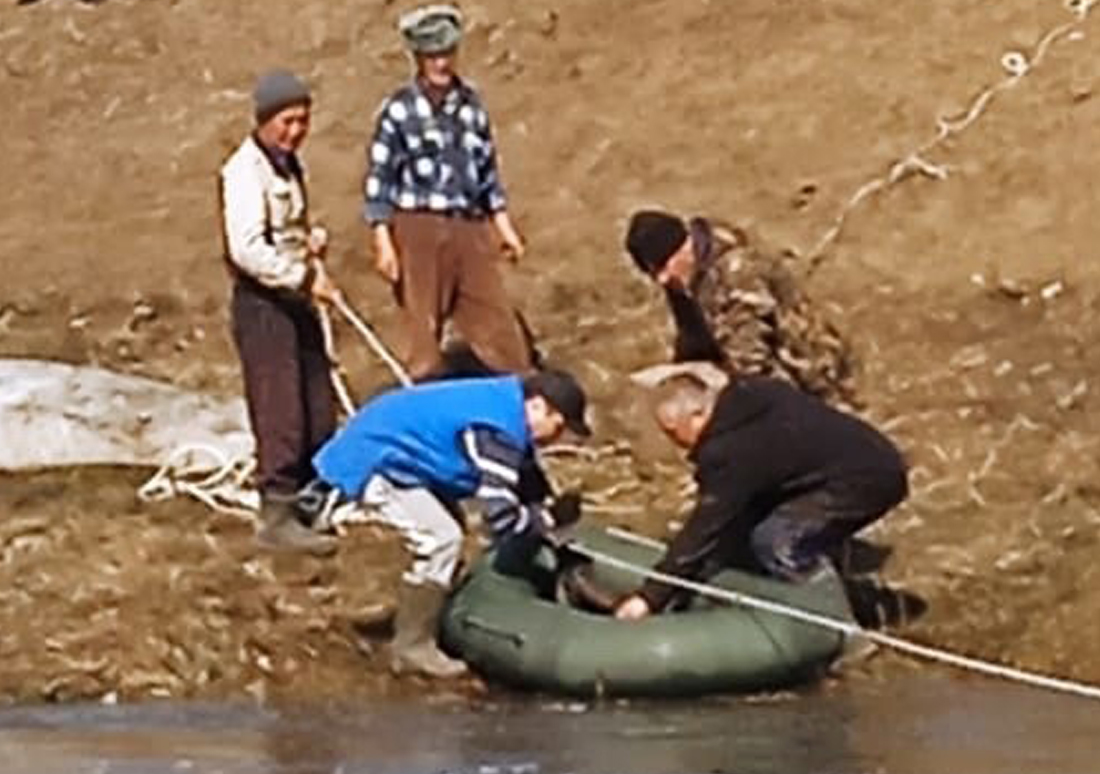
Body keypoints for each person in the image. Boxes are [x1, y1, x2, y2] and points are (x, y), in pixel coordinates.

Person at [308, 370, 591, 677]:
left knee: (449, 525)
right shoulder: (496, 430)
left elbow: (526, 479)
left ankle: (431, 616)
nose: (556, 439)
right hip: (375, 459)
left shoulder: (504, 406)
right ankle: (412, 646)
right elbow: (501, 518)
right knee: (442, 538)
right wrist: (547, 519)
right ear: (538, 406)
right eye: (558, 427)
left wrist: (549, 521)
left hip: (407, 455)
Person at [612, 366, 907, 623]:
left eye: (675, 432)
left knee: (776, 541)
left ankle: (839, 625)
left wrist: (651, 597)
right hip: (858, 461)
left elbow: (707, 526)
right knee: (751, 530)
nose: (676, 444)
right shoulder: (749, 397)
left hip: (867, 479)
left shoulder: (731, 452)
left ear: (699, 414)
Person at [363, 4, 533, 380]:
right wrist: (383, 241)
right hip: (417, 228)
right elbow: (380, 179)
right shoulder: (399, 110)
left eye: (447, 54)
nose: (441, 63)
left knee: (501, 334)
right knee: (422, 336)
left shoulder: (472, 105)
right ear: (419, 58)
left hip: (468, 228)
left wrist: (503, 227)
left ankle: (522, 405)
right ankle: (419, 410)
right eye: (432, 56)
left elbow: (487, 172)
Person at [219, 69, 340, 555]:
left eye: (303, 120)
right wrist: (305, 277)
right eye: (287, 121)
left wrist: (307, 242)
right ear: (265, 120)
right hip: (264, 304)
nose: (295, 131)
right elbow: (247, 248)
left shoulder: (287, 165)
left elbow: (282, 226)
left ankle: (309, 500)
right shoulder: (243, 171)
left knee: (316, 397)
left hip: (295, 297)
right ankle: (276, 513)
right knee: (280, 407)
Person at [624, 211, 857, 406]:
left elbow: (750, 357)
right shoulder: (685, 278)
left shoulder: (736, 272)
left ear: (683, 246)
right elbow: (693, 339)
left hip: (811, 379)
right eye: (654, 273)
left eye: (664, 266)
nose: (662, 279)